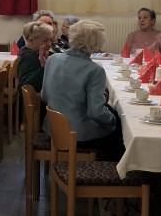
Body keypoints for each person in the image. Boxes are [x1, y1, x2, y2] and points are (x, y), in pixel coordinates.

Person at [41, 20, 124, 161]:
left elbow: (44, 96)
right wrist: (113, 121)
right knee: (118, 126)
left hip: (52, 130)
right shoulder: (95, 70)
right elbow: (96, 112)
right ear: (96, 43)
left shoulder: (53, 59)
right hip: (78, 135)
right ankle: (107, 170)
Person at [18, 21, 52, 92]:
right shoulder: (30, 56)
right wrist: (44, 67)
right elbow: (23, 87)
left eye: (50, 40)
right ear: (31, 40)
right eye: (45, 40)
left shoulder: (29, 51)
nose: (49, 44)